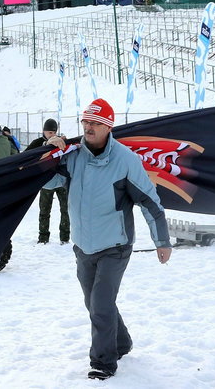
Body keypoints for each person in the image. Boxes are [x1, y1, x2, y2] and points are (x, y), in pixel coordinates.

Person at [45, 98, 172, 381]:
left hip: (115, 246)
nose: (88, 127)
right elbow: (47, 181)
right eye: (85, 122)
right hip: (83, 245)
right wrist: (47, 151)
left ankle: (103, 362)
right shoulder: (74, 155)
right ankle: (121, 342)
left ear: (108, 126)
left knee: (101, 305)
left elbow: (150, 202)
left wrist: (161, 240)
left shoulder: (125, 160)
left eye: (95, 123)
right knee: (95, 303)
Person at [27, 118, 69, 244]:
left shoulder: (61, 141)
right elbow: (27, 156)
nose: (52, 135)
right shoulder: (37, 143)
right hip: (46, 183)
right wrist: (45, 146)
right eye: (49, 132)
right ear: (44, 132)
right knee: (44, 211)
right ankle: (43, 237)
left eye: (54, 132)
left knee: (65, 210)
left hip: (62, 181)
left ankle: (65, 237)